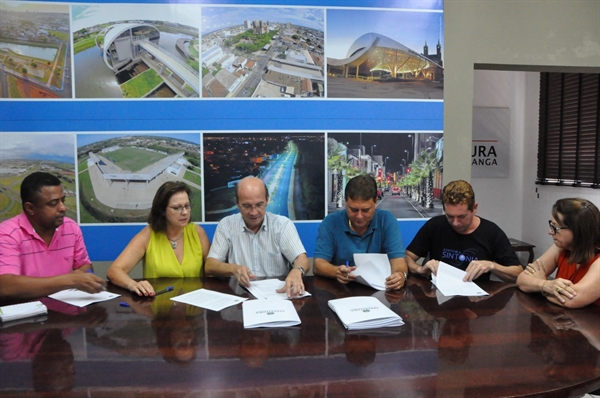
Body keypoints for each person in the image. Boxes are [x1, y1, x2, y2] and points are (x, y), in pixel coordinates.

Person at [0, 172, 106, 300]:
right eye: (53, 203)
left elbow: (85, 266)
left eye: (63, 200)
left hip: (64, 308)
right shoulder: (7, 234)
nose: (62, 208)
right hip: (26, 312)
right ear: (30, 208)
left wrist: (82, 277)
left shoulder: (71, 227)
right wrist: (70, 280)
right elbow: (6, 286)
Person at [205, 176, 310, 298]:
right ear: (237, 204)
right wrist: (233, 268)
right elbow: (210, 265)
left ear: (267, 200)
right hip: (240, 295)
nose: (254, 212)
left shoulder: (282, 225)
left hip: (277, 296)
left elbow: (301, 259)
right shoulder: (226, 225)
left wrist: (298, 270)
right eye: (247, 206)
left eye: (259, 205)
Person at [405, 180, 522, 282]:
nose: (455, 223)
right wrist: (420, 269)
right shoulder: (435, 225)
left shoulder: (491, 232)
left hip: (477, 299)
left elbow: (518, 274)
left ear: (474, 208)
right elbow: (407, 257)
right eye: (450, 216)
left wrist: (492, 265)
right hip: (439, 296)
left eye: (461, 217)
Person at [107, 181, 210, 296]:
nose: (185, 212)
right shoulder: (148, 235)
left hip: (193, 307)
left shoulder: (197, 232)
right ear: (162, 211)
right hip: (159, 306)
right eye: (177, 208)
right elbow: (114, 271)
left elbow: (212, 271)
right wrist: (133, 284)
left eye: (187, 206)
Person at [313, 175, 408, 290]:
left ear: (375, 202)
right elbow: (318, 265)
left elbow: (398, 261)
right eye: (353, 210)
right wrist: (336, 271)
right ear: (345, 201)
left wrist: (400, 275)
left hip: (381, 291)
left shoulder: (387, 220)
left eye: (365, 210)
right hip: (341, 291)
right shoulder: (331, 222)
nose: (359, 216)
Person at [517, 198, 600, 308]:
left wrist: (538, 283)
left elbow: (571, 300)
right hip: (562, 319)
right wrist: (545, 285)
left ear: (577, 230)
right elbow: (522, 280)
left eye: (556, 228)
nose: (550, 232)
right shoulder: (561, 248)